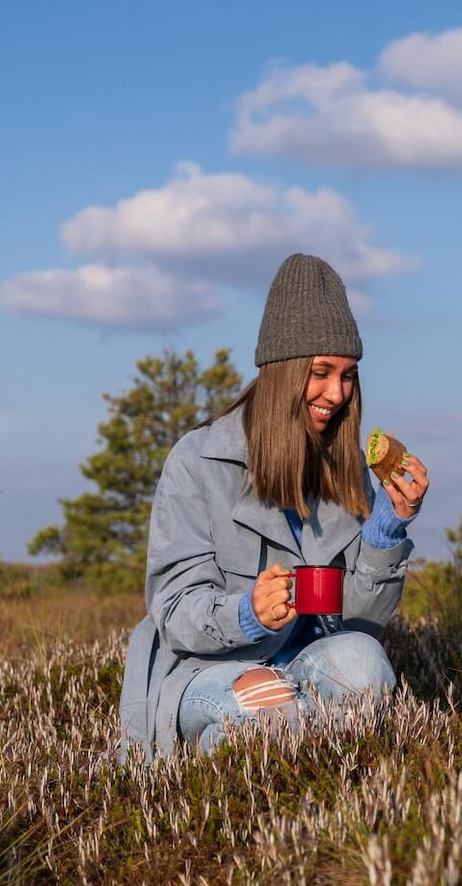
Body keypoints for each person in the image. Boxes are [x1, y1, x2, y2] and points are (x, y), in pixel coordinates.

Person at [119, 253, 429, 759]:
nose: (338, 393)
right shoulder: (197, 461)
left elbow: (361, 623)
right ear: (283, 371)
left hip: (305, 664)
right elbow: (174, 610)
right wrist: (248, 614)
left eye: (348, 375)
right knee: (269, 699)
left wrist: (383, 534)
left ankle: (236, 752)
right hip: (206, 672)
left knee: (367, 663)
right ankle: (265, 743)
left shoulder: (343, 469)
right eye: (321, 372)